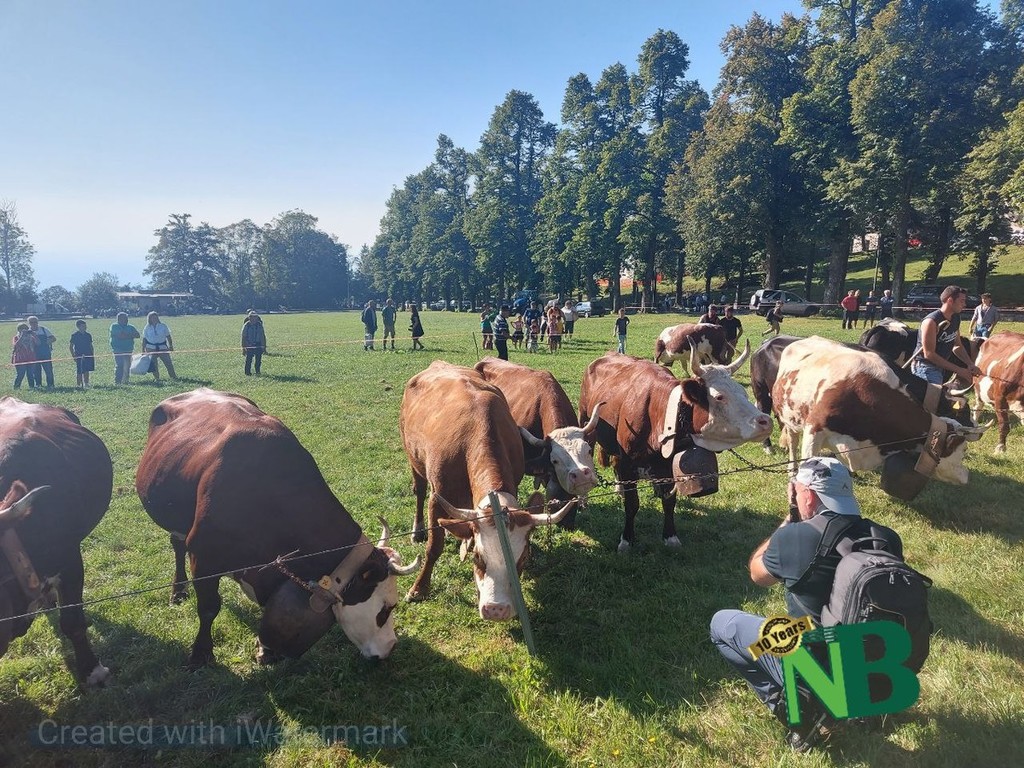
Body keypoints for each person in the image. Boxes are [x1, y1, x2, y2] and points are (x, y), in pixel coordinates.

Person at [710, 457, 904, 751]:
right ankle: (864, 708)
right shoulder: (887, 538)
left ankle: (799, 710)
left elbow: (757, 573)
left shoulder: (795, 537)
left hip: (816, 660)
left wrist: (788, 520)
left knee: (724, 624)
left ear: (808, 494)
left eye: (797, 491)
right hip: (876, 665)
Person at [909, 285, 981, 384]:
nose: (964, 304)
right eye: (962, 301)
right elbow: (929, 354)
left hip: (940, 367)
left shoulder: (955, 318)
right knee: (934, 399)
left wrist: (970, 364)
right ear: (950, 300)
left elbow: (957, 346)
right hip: (925, 367)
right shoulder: (931, 322)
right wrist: (959, 370)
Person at [142, 311, 177, 381]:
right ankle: (157, 379)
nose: (154, 319)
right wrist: (143, 349)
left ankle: (173, 377)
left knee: (168, 363)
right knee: (154, 365)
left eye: (155, 317)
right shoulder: (147, 327)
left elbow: (168, 336)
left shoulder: (163, 326)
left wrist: (171, 346)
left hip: (162, 347)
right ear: (149, 319)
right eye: (152, 317)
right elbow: (144, 339)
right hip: (150, 348)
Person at [110, 312, 140, 385]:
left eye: (127, 318)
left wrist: (126, 335)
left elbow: (138, 335)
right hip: (118, 349)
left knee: (127, 366)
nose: (127, 320)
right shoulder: (114, 326)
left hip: (128, 349)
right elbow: (121, 336)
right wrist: (131, 335)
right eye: (125, 318)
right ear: (119, 319)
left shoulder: (131, 326)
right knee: (120, 365)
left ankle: (126, 380)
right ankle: (118, 381)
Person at [27, 316, 56, 389]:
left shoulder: (43, 329)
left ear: (37, 322)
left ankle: (51, 385)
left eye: (35, 322)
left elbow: (53, 338)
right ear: (29, 323)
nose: (34, 324)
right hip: (34, 354)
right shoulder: (28, 332)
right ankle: (38, 385)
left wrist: (47, 342)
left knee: (48, 370)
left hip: (45, 353)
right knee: (36, 370)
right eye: (32, 322)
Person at [12, 323, 38, 389]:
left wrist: (34, 335)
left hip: (31, 358)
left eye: (26, 329)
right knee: (20, 374)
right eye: (22, 329)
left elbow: (38, 343)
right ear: (19, 330)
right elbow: (16, 345)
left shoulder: (31, 337)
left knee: (30, 374)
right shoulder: (16, 337)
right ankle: (16, 387)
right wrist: (22, 336)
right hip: (20, 359)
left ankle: (32, 387)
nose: (25, 330)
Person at [69, 319, 95, 389]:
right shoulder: (75, 335)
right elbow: (71, 346)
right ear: (78, 326)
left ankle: (86, 383)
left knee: (87, 370)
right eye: (83, 326)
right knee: (79, 370)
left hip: (88, 354)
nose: (85, 327)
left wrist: (92, 354)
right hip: (79, 354)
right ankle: (79, 384)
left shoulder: (88, 335)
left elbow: (90, 345)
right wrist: (73, 355)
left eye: (85, 325)